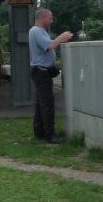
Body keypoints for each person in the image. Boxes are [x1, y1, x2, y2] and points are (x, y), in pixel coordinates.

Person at [29, 8, 73, 143]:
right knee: (47, 104)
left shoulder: (39, 31)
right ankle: (50, 135)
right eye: (50, 18)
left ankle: (39, 132)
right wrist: (61, 37)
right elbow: (49, 46)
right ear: (42, 17)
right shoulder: (36, 31)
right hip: (41, 72)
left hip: (41, 72)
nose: (51, 21)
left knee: (40, 104)